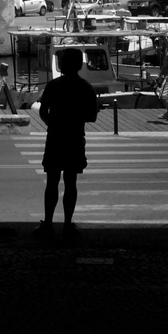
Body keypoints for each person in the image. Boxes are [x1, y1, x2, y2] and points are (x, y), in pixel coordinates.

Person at [36, 46, 100, 239]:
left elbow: (42, 111)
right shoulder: (85, 87)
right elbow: (92, 116)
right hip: (74, 138)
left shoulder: (53, 86)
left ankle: (48, 223)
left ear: (63, 64)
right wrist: (75, 118)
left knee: (52, 182)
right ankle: (67, 225)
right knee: (70, 183)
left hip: (55, 137)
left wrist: (52, 123)